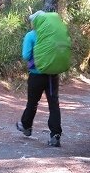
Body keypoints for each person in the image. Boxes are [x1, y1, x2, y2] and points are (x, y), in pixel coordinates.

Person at [16, 10, 62, 147]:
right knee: (54, 104)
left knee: (32, 102)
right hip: (52, 75)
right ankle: (56, 134)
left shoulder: (31, 36)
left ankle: (26, 126)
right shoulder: (54, 35)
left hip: (36, 75)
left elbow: (25, 55)